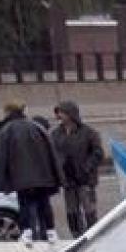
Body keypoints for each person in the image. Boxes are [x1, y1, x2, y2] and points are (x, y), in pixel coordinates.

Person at [0, 100, 62, 243]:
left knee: (25, 204)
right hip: (43, 176)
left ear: (7, 112)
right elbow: (51, 153)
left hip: (21, 178)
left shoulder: (7, 130)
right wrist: (58, 177)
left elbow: (1, 158)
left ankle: (27, 232)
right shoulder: (37, 127)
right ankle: (50, 231)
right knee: (44, 203)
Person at [52, 100, 105, 236]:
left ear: (70, 114)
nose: (59, 116)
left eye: (62, 112)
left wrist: (87, 167)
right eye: (58, 113)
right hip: (67, 180)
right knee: (72, 211)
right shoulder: (56, 134)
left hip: (85, 179)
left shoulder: (88, 133)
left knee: (89, 210)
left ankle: (93, 235)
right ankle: (76, 235)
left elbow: (98, 153)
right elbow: (53, 153)